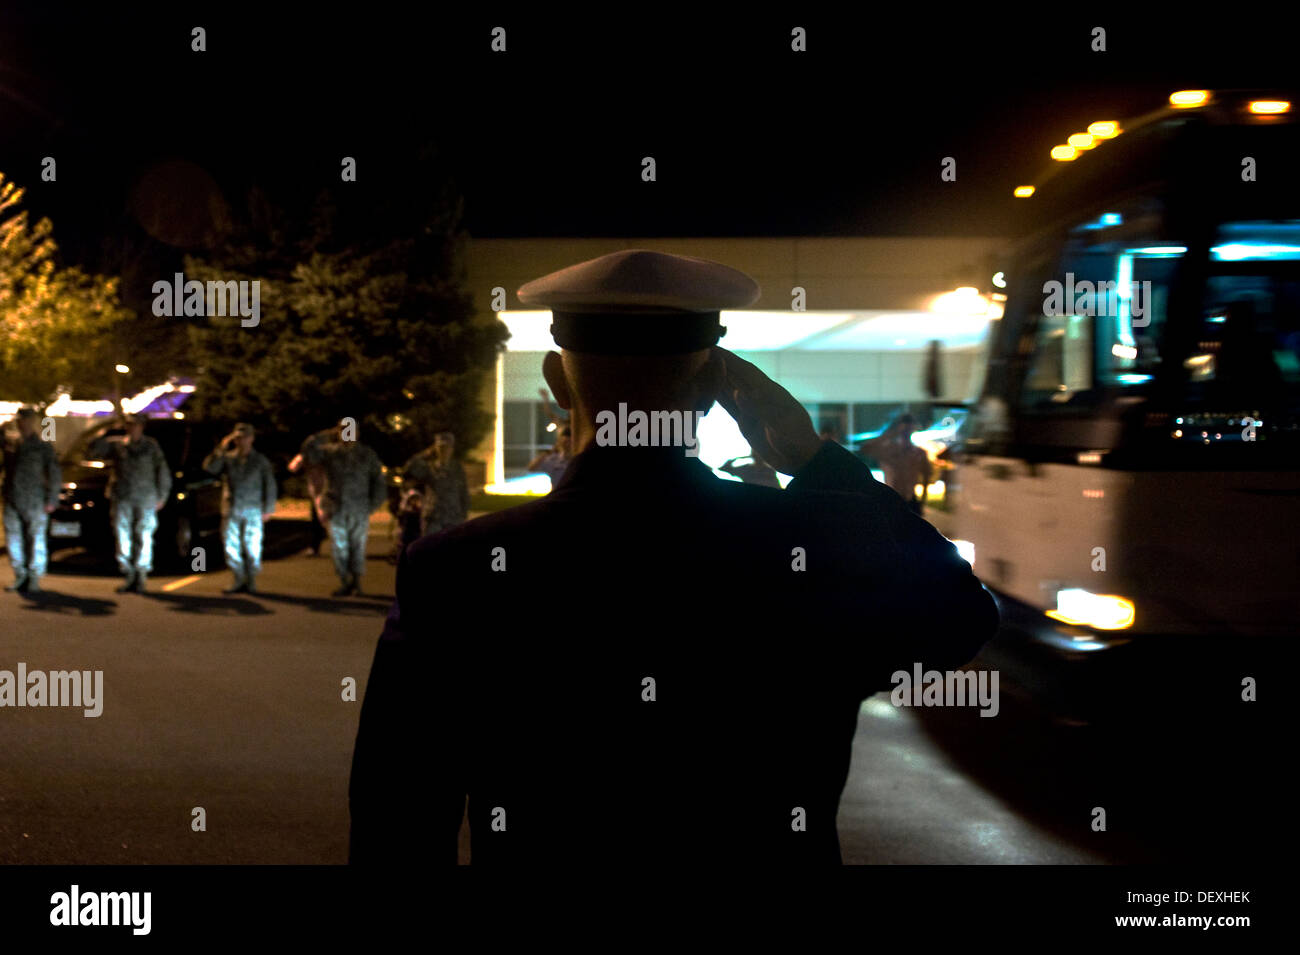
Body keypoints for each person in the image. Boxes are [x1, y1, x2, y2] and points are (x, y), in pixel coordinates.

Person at [349, 249, 999, 866]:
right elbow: (962, 617)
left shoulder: (455, 569)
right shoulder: (813, 548)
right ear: (716, 384)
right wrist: (817, 461)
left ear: (554, 382)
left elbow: (398, 819)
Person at [303, 421, 386, 597]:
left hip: (359, 507)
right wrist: (327, 433)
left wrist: (372, 505)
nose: (347, 435)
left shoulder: (366, 454)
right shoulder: (331, 452)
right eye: (343, 431)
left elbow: (379, 481)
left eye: (350, 431)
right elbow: (308, 450)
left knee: (357, 546)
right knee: (340, 547)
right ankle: (344, 581)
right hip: (336, 506)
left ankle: (357, 582)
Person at [91, 414, 171, 594]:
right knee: (123, 536)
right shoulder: (118, 445)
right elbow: (94, 449)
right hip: (122, 498)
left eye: (135, 425)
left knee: (143, 536)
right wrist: (107, 430)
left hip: (146, 498)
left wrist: (162, 496)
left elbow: (162, 471)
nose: (132, 428)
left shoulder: (151, 446)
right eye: (128, 425)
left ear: (142, 427)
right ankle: (129, 574)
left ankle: (141, 575)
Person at [203, 423, 277, 594]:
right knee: (231, 546)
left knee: (252, 546)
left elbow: (270, 485)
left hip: (253, 509)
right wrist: (221, 448)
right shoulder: (228, 458)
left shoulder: (260, 461)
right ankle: (238, 578)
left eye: (244, 438)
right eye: (237, 438)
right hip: (231, 508)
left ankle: (251, 580)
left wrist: (268, 508)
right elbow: (209, 468)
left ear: (251, 439)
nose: (240, 441)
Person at [2, 407, 61, 594]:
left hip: (35, 500)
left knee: (35, 539)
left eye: (25, 420)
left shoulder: (43, 445)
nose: (21, 423)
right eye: (19, 420)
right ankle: (20, 575)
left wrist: (52, 499)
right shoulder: (11, 444)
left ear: (32, 421)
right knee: (14, 539)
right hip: (12, 499)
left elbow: (54, 473)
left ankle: (34, 577)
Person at [857, 413, 933, 516]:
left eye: (909, 427)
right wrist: (890, 434)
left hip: (910, 499)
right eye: (904, 427)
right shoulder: (888, 450)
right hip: (891, 499)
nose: (906, 431)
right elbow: (864, 449)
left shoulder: (918, 453)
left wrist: (922, 501)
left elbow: (926, 476)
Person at [400, 431, 469, 537]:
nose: (444, 451)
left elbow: (464, 492)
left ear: (451, 449)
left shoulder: (457, 469)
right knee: (430, 551)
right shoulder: (429, 468)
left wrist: (463, 514)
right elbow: (409, 468)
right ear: (435, 449)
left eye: (447, 448)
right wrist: (425, 453)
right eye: (441, 448)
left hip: (453, 519)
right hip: (432, 519)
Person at [288, 429, 333, 556]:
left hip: (326, 489)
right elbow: (294, 466)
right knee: (318, 519)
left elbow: (293, 467)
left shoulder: (326, 448)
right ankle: (316, 546)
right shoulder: (313, 447)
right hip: (319, 489)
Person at [526, 424, 572, 488]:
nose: (566, 445)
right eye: (564, 442)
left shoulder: (579, 459)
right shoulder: (554, 459)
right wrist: (546, 453)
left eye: (568, 442)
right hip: (557, 494)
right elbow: (531, 467)